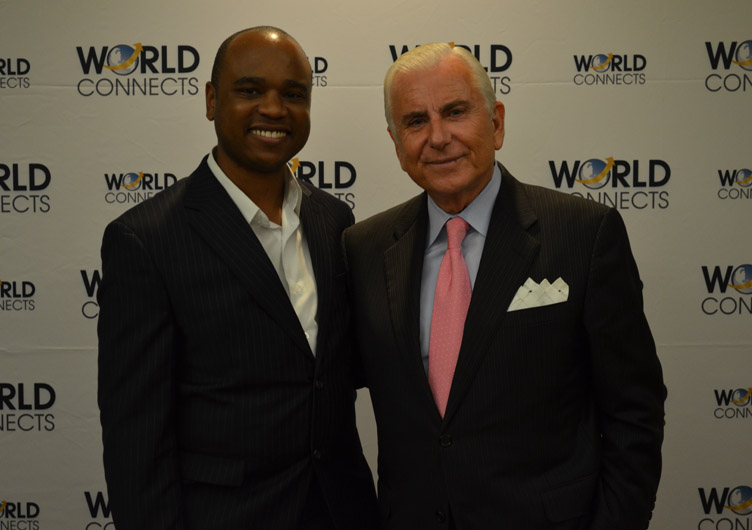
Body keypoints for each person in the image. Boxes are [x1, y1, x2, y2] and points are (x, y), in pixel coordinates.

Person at [343, 42, 666, 529]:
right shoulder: (363, 248)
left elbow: (634, 412)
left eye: (455, 112)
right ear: (395, 142)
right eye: (415, 121)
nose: (438, 137)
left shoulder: (583, 234)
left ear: (495, 123)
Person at [97, 26, 378, 530]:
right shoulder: (146, 239)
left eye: (293, 94)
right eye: (249, 90)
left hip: (343, 510)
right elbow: (136, 440)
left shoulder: (335, 220)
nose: (273, 109)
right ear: (211, 100)